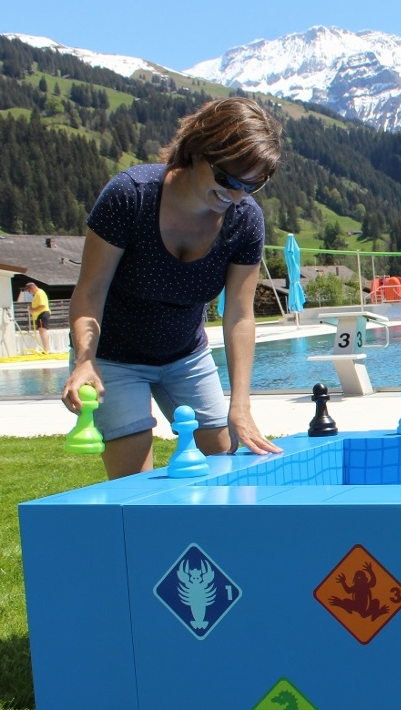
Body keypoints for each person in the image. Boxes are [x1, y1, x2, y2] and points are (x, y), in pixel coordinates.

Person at [61, 97, 284, 479]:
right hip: (114, 360)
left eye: (251, 185)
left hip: (186, 356)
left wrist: (240, 405)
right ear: (198, 150)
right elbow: (90, 290)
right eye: (227, 178)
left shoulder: (245, 220)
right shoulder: (130, 196)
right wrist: (85, 360)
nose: (234, 194)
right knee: (135, 486)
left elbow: (240, 316)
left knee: (224, 470)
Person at [24, 281, 51, 352]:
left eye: (29, 291)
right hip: (40, 314)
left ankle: (46, 350)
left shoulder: (39, 294)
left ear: (32, 288)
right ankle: (46, 349)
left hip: (42, 314)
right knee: (42, 331)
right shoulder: (37, 294)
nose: (29, 293)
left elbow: (42, 306)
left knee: (43, 331)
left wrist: (33, 310)